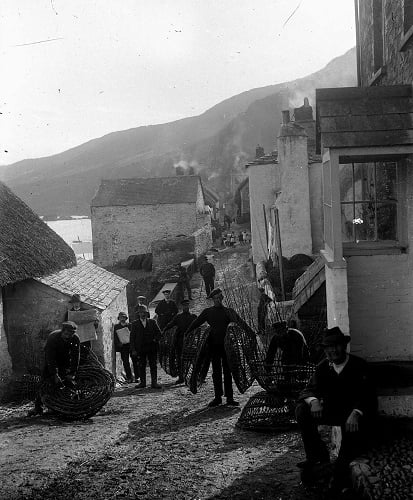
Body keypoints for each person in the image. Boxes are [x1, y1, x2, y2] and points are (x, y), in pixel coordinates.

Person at [295, 327, 377, 493]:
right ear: (325, 350)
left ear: (344, 346)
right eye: (329, 348)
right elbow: (307, 390)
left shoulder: (359, 365)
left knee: (342, 465)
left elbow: (369, 396)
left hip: (353, 418)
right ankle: (317, 456)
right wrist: (314, 401)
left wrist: (356, 412)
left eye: (337, 346)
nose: (334, 351)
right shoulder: (323, 367)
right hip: (333, 412)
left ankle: (339, 476)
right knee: (302, 409)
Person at [184, 288, 255, 407]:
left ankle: (230, 398)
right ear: (212, 300)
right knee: (216, 372)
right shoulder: (208, 312)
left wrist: (251, 333)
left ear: (222, 299)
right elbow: (197, 322)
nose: (217, 300)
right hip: (213, 346)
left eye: (219, 298)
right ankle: (217, 397)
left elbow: (240, 322)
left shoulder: (228, 311)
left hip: (227, 347)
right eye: (215, 298)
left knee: (228, 371)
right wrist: (187, 332)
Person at [28, 321, 80, 416]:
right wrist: (55, 374)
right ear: (62, 331)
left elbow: (76, 356)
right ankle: (38, 408)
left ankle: (63, 406)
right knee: (44, 384)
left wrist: (72, 373)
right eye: (66, 334)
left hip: (65, 362)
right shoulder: (53, 338)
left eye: (71, 334)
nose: (68, 336)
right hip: (51, 362)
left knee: (67, 383)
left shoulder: (75, 339)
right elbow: (50, 358)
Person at [163, 299, 197, 384]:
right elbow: (170, 324)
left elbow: (199, 326)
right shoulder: (178, 317)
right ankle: (181, 377)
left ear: (189, 306)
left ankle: (195, 376)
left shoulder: (193, 317)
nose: (186, 307)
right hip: (180, 342)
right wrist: (163, 331)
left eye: (187, 305)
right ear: (182, 307)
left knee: (193, 359)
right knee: (180, 360)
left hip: (191, 341)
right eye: (184, 305)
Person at [130, 305, 162, 389]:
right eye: (141, 313)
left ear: (146, 313)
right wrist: (133, 349)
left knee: (153, 365)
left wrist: (155, 340)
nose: (142, 314)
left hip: (152, 347)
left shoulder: (152, 322)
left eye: (144, 312)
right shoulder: (134, 324)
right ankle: (143, 383)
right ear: (138, 314)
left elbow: (159, 333)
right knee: (141, 365)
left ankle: (154, 383)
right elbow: (132, 338)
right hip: (140, 348)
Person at [114, 312, 139, 383]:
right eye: (121, 318)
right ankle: (129, 377)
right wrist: (118, 343)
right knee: (125, 362)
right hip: (123, 346)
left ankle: (137, 377)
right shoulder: (116, 327)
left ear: (126, 318)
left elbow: (134, 335)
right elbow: (115, 337)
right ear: (119, 319)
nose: (122, 319)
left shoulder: (130, 325)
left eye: (124, 317)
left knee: (135, 361)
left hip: (131, 345)